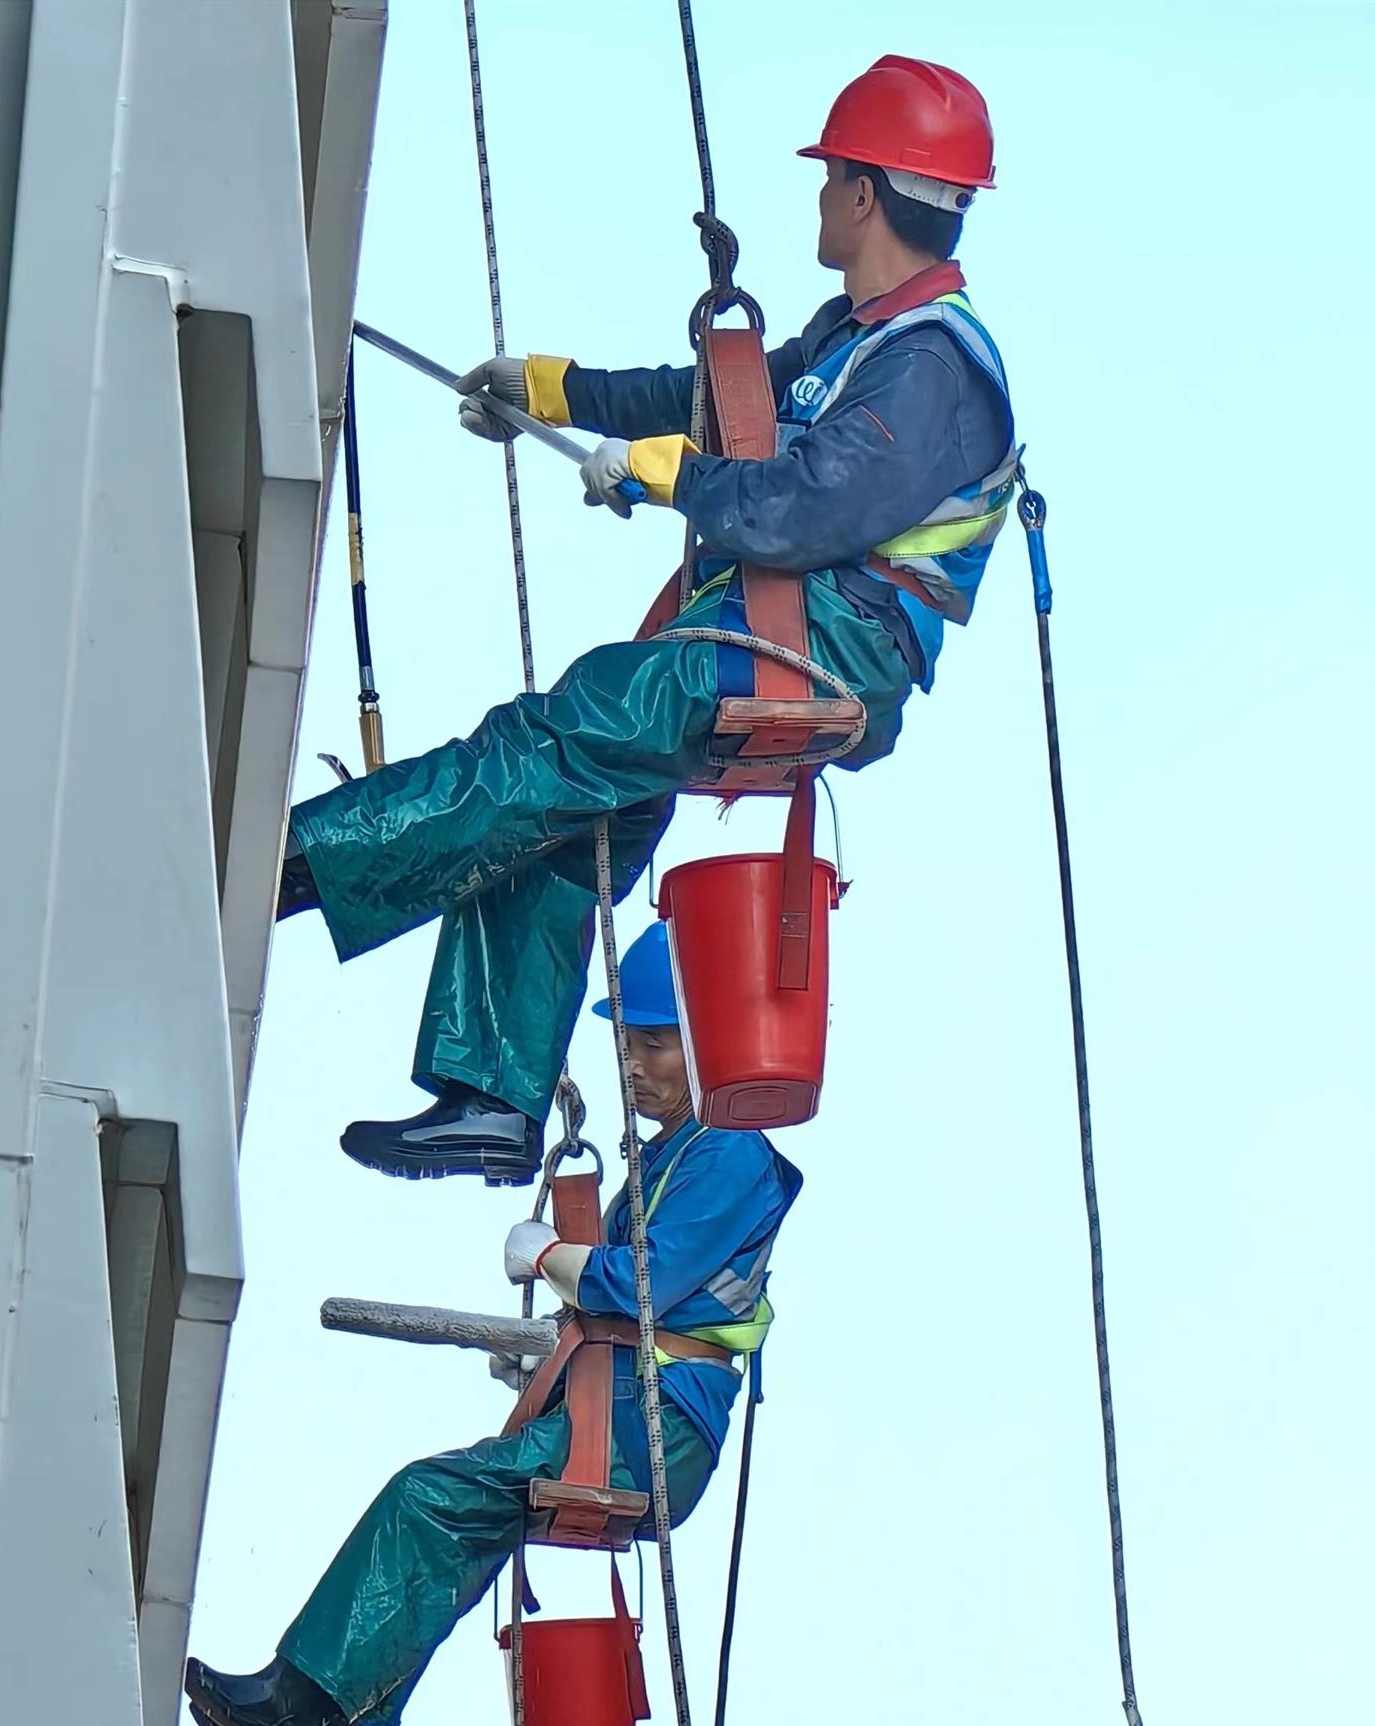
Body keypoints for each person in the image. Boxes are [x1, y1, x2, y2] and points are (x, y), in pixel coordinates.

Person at [280, 55, 1015, 1185]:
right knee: (574, 820)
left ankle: (302, 862)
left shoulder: (936, 369)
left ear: (865, 193)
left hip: (830, 641)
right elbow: (718, 403)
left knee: (548, 738)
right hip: (776, 627)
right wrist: (559, 390)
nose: (819, 198)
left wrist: (666, 475)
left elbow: (801, 506)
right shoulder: (853, 338)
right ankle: (490, 1098)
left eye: (831, 180)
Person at [185, 923, 802, 1726]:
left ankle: (300, 1710)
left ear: (713, 1039)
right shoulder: (673, 1157)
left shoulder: (731, 1152)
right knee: (458, 1525)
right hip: (632, 1403)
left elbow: (645, 1284)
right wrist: (560, 1354)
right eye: (626, 1043)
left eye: (655, 1043)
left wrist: (550, 1254)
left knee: (429, 1500)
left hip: (660, 1423)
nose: (633, 1065)